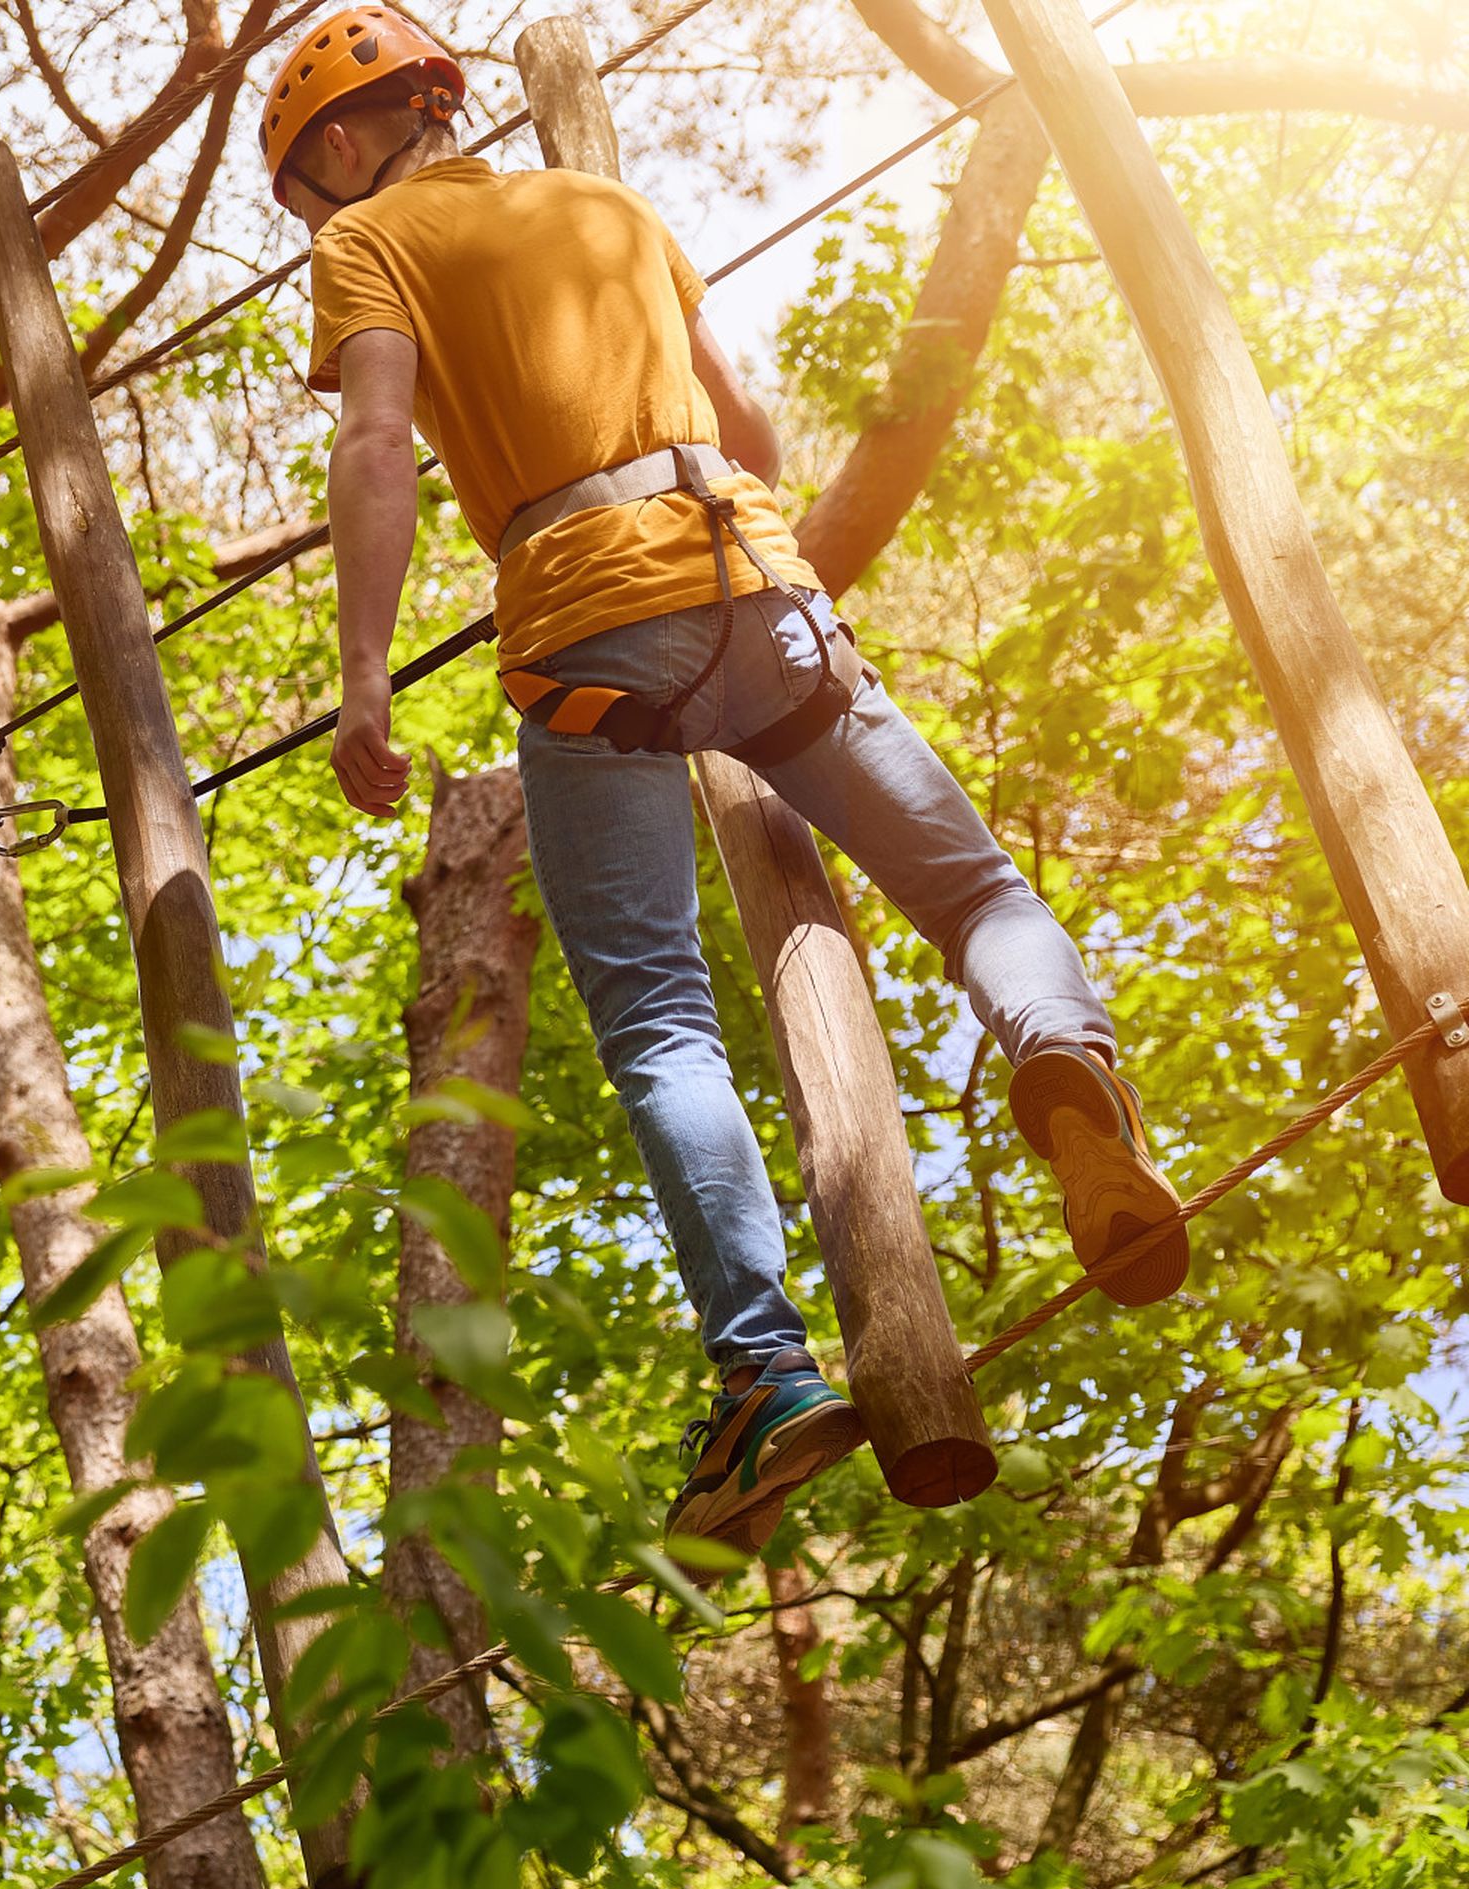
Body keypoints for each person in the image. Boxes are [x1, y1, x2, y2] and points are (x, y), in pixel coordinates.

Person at [261, 6, 1187, 1550]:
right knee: (970, 890)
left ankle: (762, 1375)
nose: (318, 212)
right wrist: (781, 606)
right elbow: (745, 421)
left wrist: (363, 675)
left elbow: (372, 442)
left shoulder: (370, 244)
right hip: (752, 574)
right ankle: (1068, 1064)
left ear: (345, 144)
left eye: (311, 184)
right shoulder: (613, 207)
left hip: (584, 631)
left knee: (661, 1016)